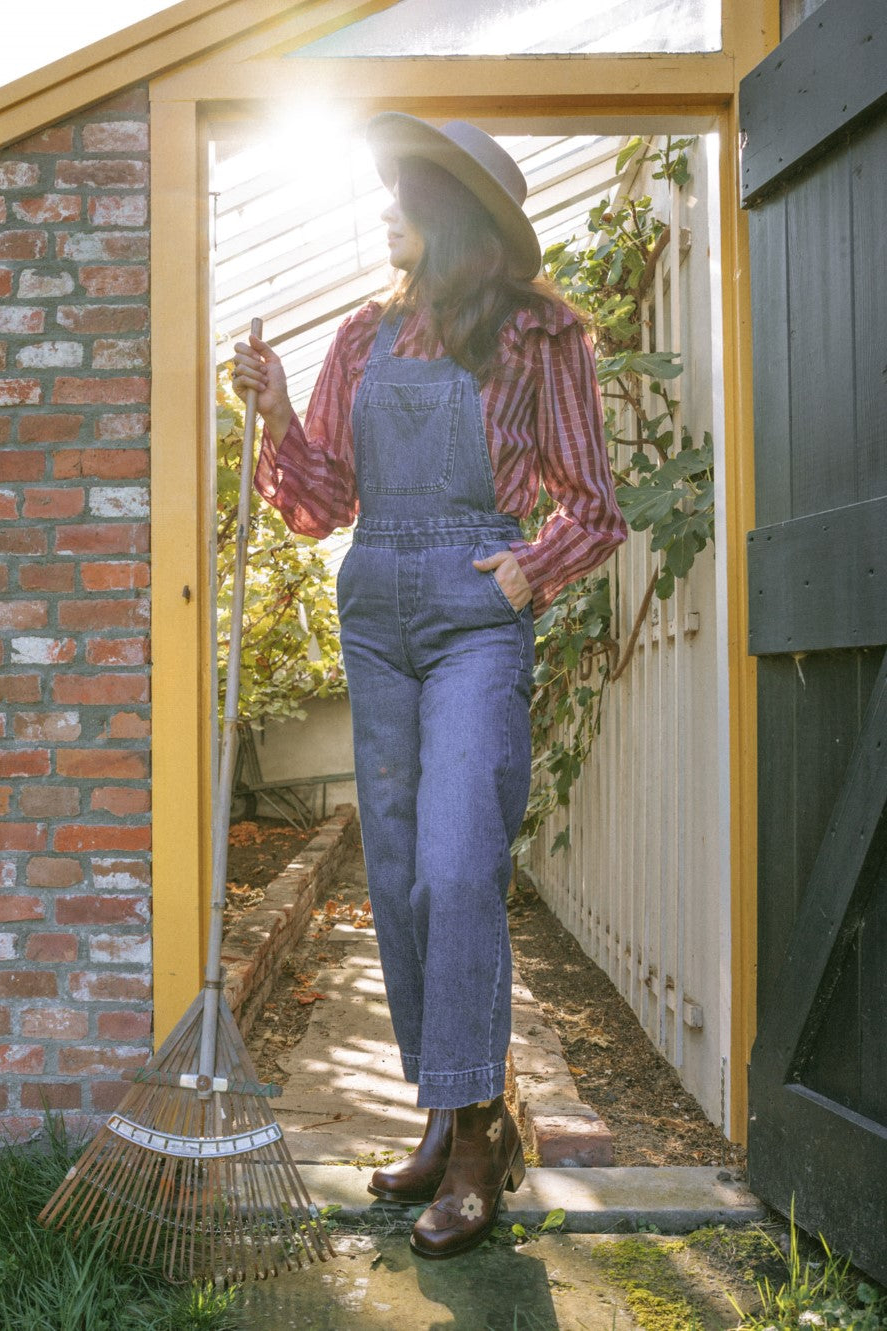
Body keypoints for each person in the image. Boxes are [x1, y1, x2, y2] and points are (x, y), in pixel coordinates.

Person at [232, 113, 626, 1260]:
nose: (383, 210)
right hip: (376, 615)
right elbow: (320, 504)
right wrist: (274, 414)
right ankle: (448, 1114)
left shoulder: (541, 336)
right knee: (400, 876)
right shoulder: (360, 336)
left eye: (400, 192)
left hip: (472, 617)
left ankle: (477, 1140)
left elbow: (593, 503)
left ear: (450, 212)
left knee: (458, 865)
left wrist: (527, 569)